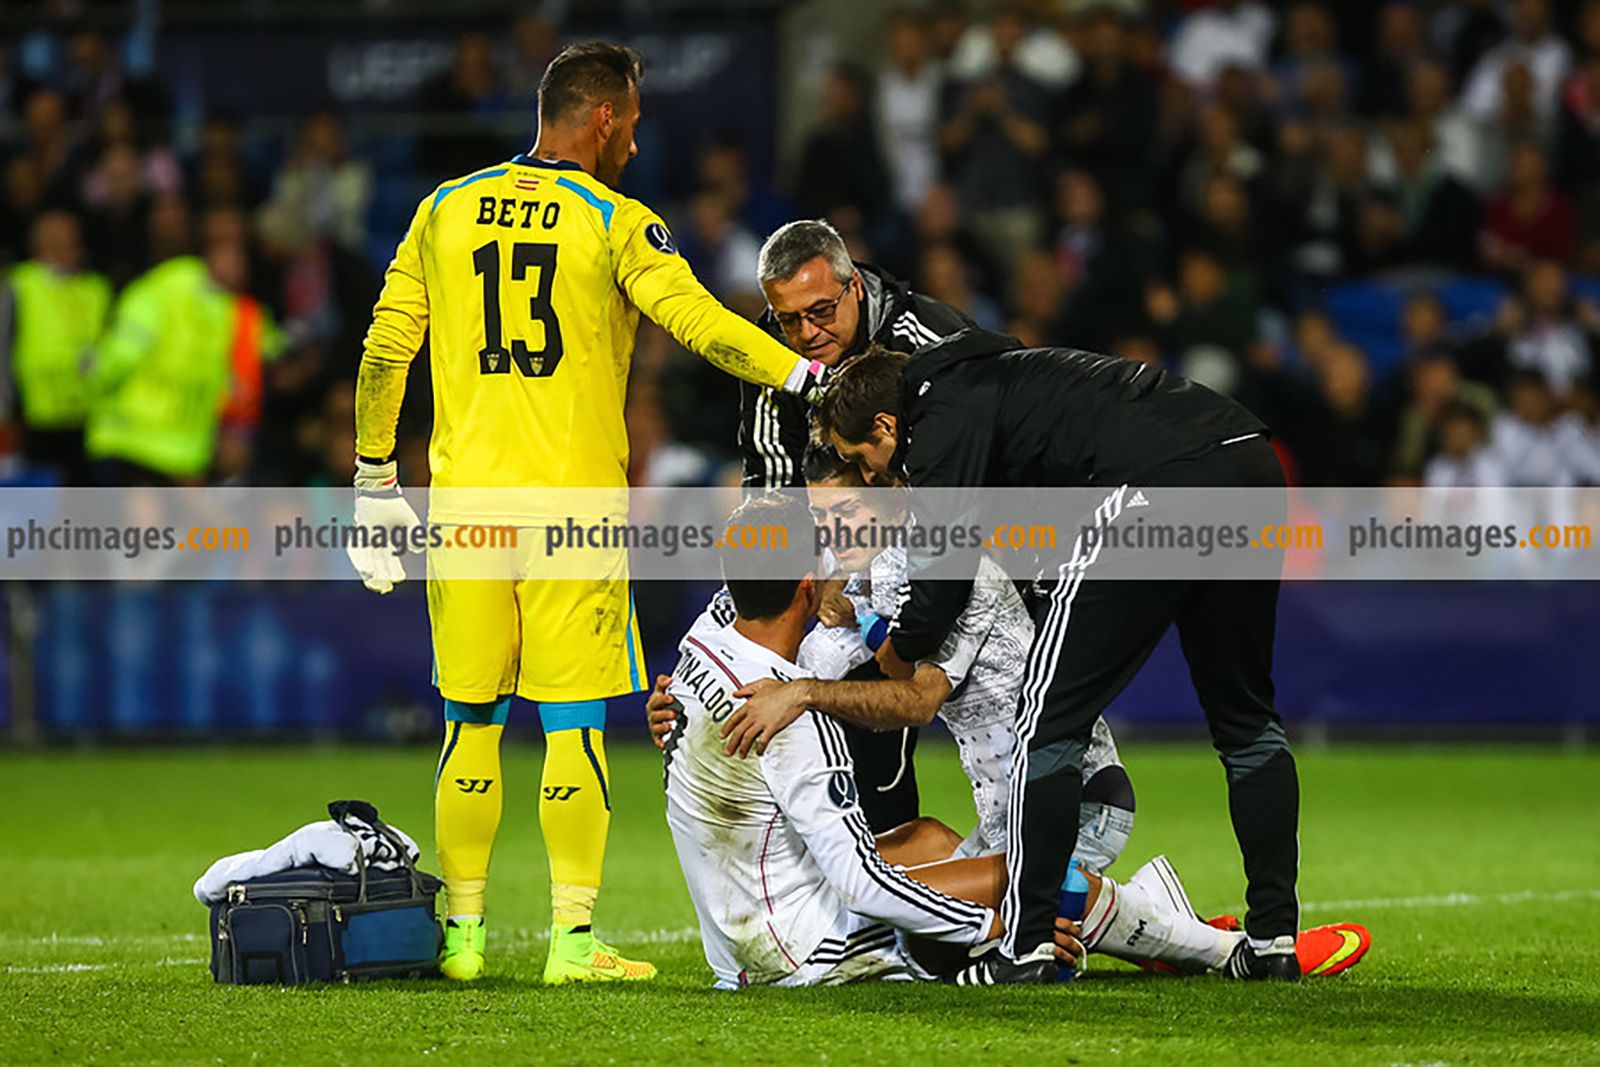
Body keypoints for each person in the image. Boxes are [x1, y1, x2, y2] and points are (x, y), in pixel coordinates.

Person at [348, 41, 828, 986]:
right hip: (572, 510)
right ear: (603, 119)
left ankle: (465, 937)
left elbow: (382, 352)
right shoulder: (614, 220)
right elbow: (696, 324)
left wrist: (371, 482)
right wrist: (805, 372)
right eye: (636, 125)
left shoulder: (441, 208)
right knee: (571, 726)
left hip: (465, 510)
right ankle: (572, 942)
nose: (638, 146)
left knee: (469, 721)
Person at [815, 333, 1302, 984]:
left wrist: (892, 644)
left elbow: (940, 587)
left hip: (1156, 483)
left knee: (1044, 721)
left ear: (885, 423)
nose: (873, 475)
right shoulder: (991, 379)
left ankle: (1028, 944)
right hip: (1248, 462)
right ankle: (1273, 937)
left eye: (863, 459)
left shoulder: (938, 415)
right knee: (1245, 720)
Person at [662, 493, 1268, 988]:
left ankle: (1145, 917)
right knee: (1031, 874)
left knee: (928, 837)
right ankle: (1219, 948)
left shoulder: (699, 650)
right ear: (806, 583)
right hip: (807, 952)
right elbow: (860, 884)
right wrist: (997, 928)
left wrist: (663, 712)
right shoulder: (795, 713)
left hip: (736, 939)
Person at [647, 217, 977, 834]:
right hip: (844, 568)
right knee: (839, 706)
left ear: (854, 286)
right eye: (787, 319)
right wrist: (707, 660)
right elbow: (770, 508)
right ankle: (862, 879)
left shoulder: (931, 340)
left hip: (957, 551)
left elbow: (975, 470)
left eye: (820, 311)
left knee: (986, 730)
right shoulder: (770, 362)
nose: (805, 333)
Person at [0, 211, 110, 483]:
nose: (74, 242)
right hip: (35, 419)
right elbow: (3, 345)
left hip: (89, 418)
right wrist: (4, 410)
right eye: (63, 236)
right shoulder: (20, 283)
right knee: (39, 504)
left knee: (85, 504)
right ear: (42, 243)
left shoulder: (96, 288)